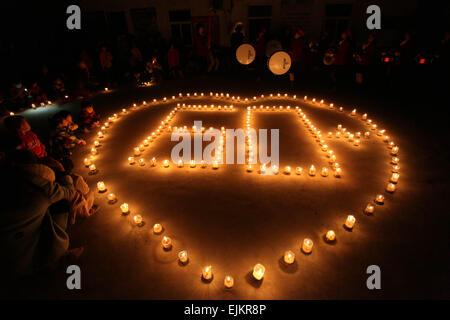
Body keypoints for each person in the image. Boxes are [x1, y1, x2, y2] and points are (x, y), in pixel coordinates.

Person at [0, 149, 82, 279]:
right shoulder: (39, 188)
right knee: (63, 204)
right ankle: (55, 256)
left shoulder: (7, 178)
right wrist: (61, 171)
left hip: (4, 265)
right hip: (25, 262)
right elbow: (69, 192)